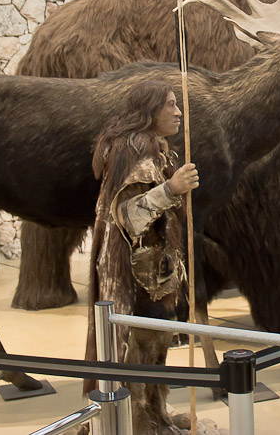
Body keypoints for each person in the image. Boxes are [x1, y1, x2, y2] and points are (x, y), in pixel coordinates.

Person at [85, 80, 198, 435]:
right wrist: (171, 189)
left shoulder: (154, 146)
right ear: (148, 111)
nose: (178, 112)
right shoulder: (135, 147)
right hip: (136, 273)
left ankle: (156, 415)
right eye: (169, 105)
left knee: (154, 346)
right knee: (136, 350)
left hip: (153, 270)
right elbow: (128, 215)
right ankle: (138, 424)